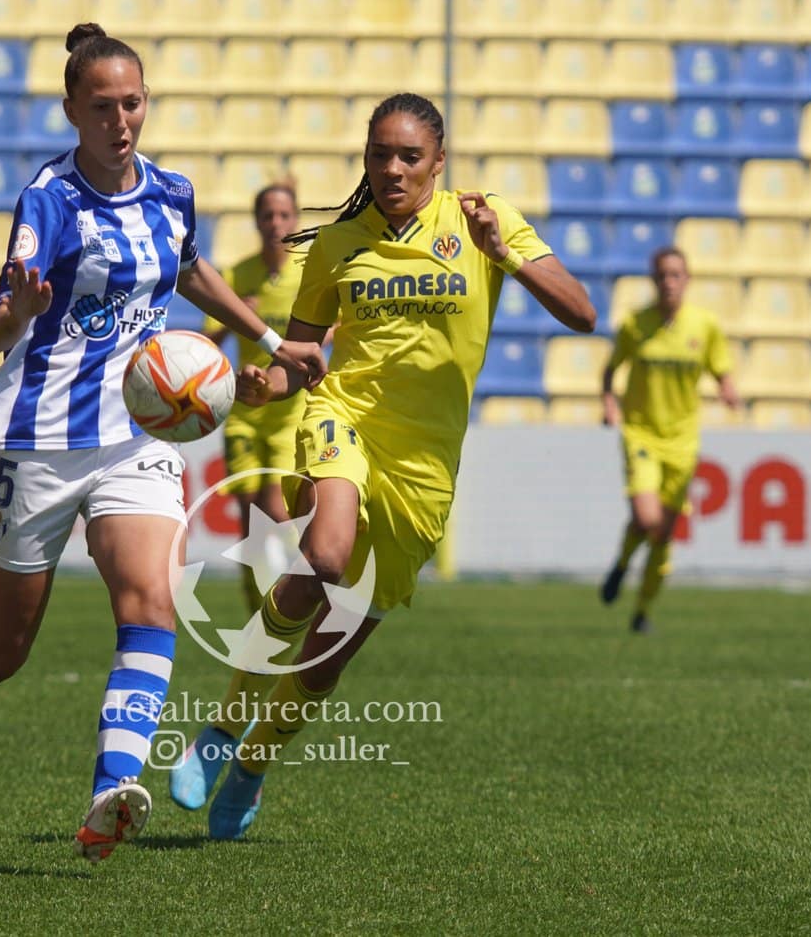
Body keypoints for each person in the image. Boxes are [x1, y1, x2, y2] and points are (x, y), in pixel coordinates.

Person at [0, 23, 325, 863]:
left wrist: (271, 343)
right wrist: (16, 310)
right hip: (36, 441)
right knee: (3, 647)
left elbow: (192, 268)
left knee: (151, 600)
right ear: (71, 110)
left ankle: (112, 787)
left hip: (135, 436)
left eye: (131, 103)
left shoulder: (171, 191)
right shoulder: (48, 200)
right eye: (101, 107)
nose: (119, 120)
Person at [168, 91, 597, 840]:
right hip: (344, 418)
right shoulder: (335, 245)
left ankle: (254, 765)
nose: (392, 168)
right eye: (379, 154)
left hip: (424, 463)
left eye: (408, 156)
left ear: (439, 161)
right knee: (324, 555)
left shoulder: (481, 218)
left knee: (331, 653)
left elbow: (583, 312)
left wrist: (504, 256)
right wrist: (265, 383)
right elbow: (302, 360)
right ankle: (222, 729)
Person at [598, 247, 738, 634]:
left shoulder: (703, 326)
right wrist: (610, 405)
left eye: (676, 275)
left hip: (683, 441)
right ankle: (624, 565)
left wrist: (728, 389)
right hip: (642, 432)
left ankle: (641, 612)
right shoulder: (636, 325)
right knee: (647, 517)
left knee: (662, 534)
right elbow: (610, 371)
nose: (669, 283)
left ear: (687, 280)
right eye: (663, 276)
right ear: (654, 280)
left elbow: (721, 367)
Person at [204, 182, 310, 614]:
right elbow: (207, 341)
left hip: (291, 413)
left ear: (295, 220)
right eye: (268, 215)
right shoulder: (238, 275)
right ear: (256, 221)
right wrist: (237, 315)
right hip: (246, 413)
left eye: (284, 215)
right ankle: (260, 616)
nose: (275, 224)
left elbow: (335, 326)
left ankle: (296, 603)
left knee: (277, 515)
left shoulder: (307, 274)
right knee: (251, 526)